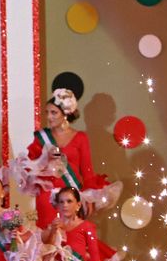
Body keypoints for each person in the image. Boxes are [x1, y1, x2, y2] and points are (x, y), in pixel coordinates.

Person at [25, 88, 122, 226]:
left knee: (71, 234)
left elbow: (87, 171)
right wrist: (44, 159)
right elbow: (31, 167)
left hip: (71, 196)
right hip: (47, 197)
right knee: (49, 233)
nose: (49, 117)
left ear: (65, 113)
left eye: (54, 112)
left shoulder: (80, 137)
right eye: (47, 112)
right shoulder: (41, 137)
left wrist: (88, 199)